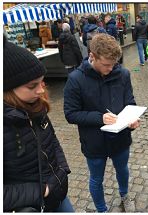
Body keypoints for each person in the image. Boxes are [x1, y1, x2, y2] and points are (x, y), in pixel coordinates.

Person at [63, 34, 139, 212]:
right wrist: (99, 118)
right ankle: (101, 209)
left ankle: (125, 196)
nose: (111, 68)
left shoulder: (123, 74)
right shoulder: (76, 79)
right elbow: (70, 114)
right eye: (106, 64)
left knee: (123, 170)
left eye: (114, 64)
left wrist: (132, 118)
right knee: (96, 179)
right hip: (94, 141)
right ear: (92, 56)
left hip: (120, 137)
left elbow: (130, 101)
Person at [3, 35, 73, 212]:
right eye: (32, 86)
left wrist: (62, 171)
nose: (41, 90)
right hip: (32, 204)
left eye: (42, 82)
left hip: (57, 193)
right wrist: (41, 191)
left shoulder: (36, 106)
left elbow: (52, 140)